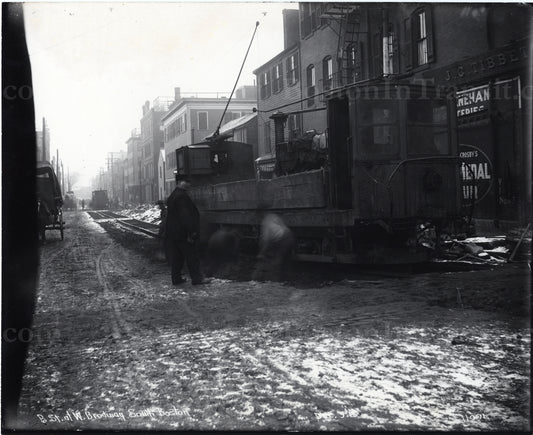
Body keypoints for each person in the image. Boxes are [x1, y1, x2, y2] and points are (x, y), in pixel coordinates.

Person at [165, 176, 208, 286]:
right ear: (180, 182)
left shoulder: (173, 195)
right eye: (186, 182)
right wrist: (191, 231)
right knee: (192, 256)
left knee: (177, 257)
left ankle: (176, 278)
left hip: (174, 233)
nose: (189, 184)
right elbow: (186, 216)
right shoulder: (182, 197)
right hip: (183, 233)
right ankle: (197, 279)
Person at [253, 213, 295, 282]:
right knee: (285, 260)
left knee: (277, 260)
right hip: (289, 234)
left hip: (283, 238)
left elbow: (266, 240)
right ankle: (286, 279)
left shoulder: (265, 223)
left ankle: (275, 280)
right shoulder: (272, 216)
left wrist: (262, 253)